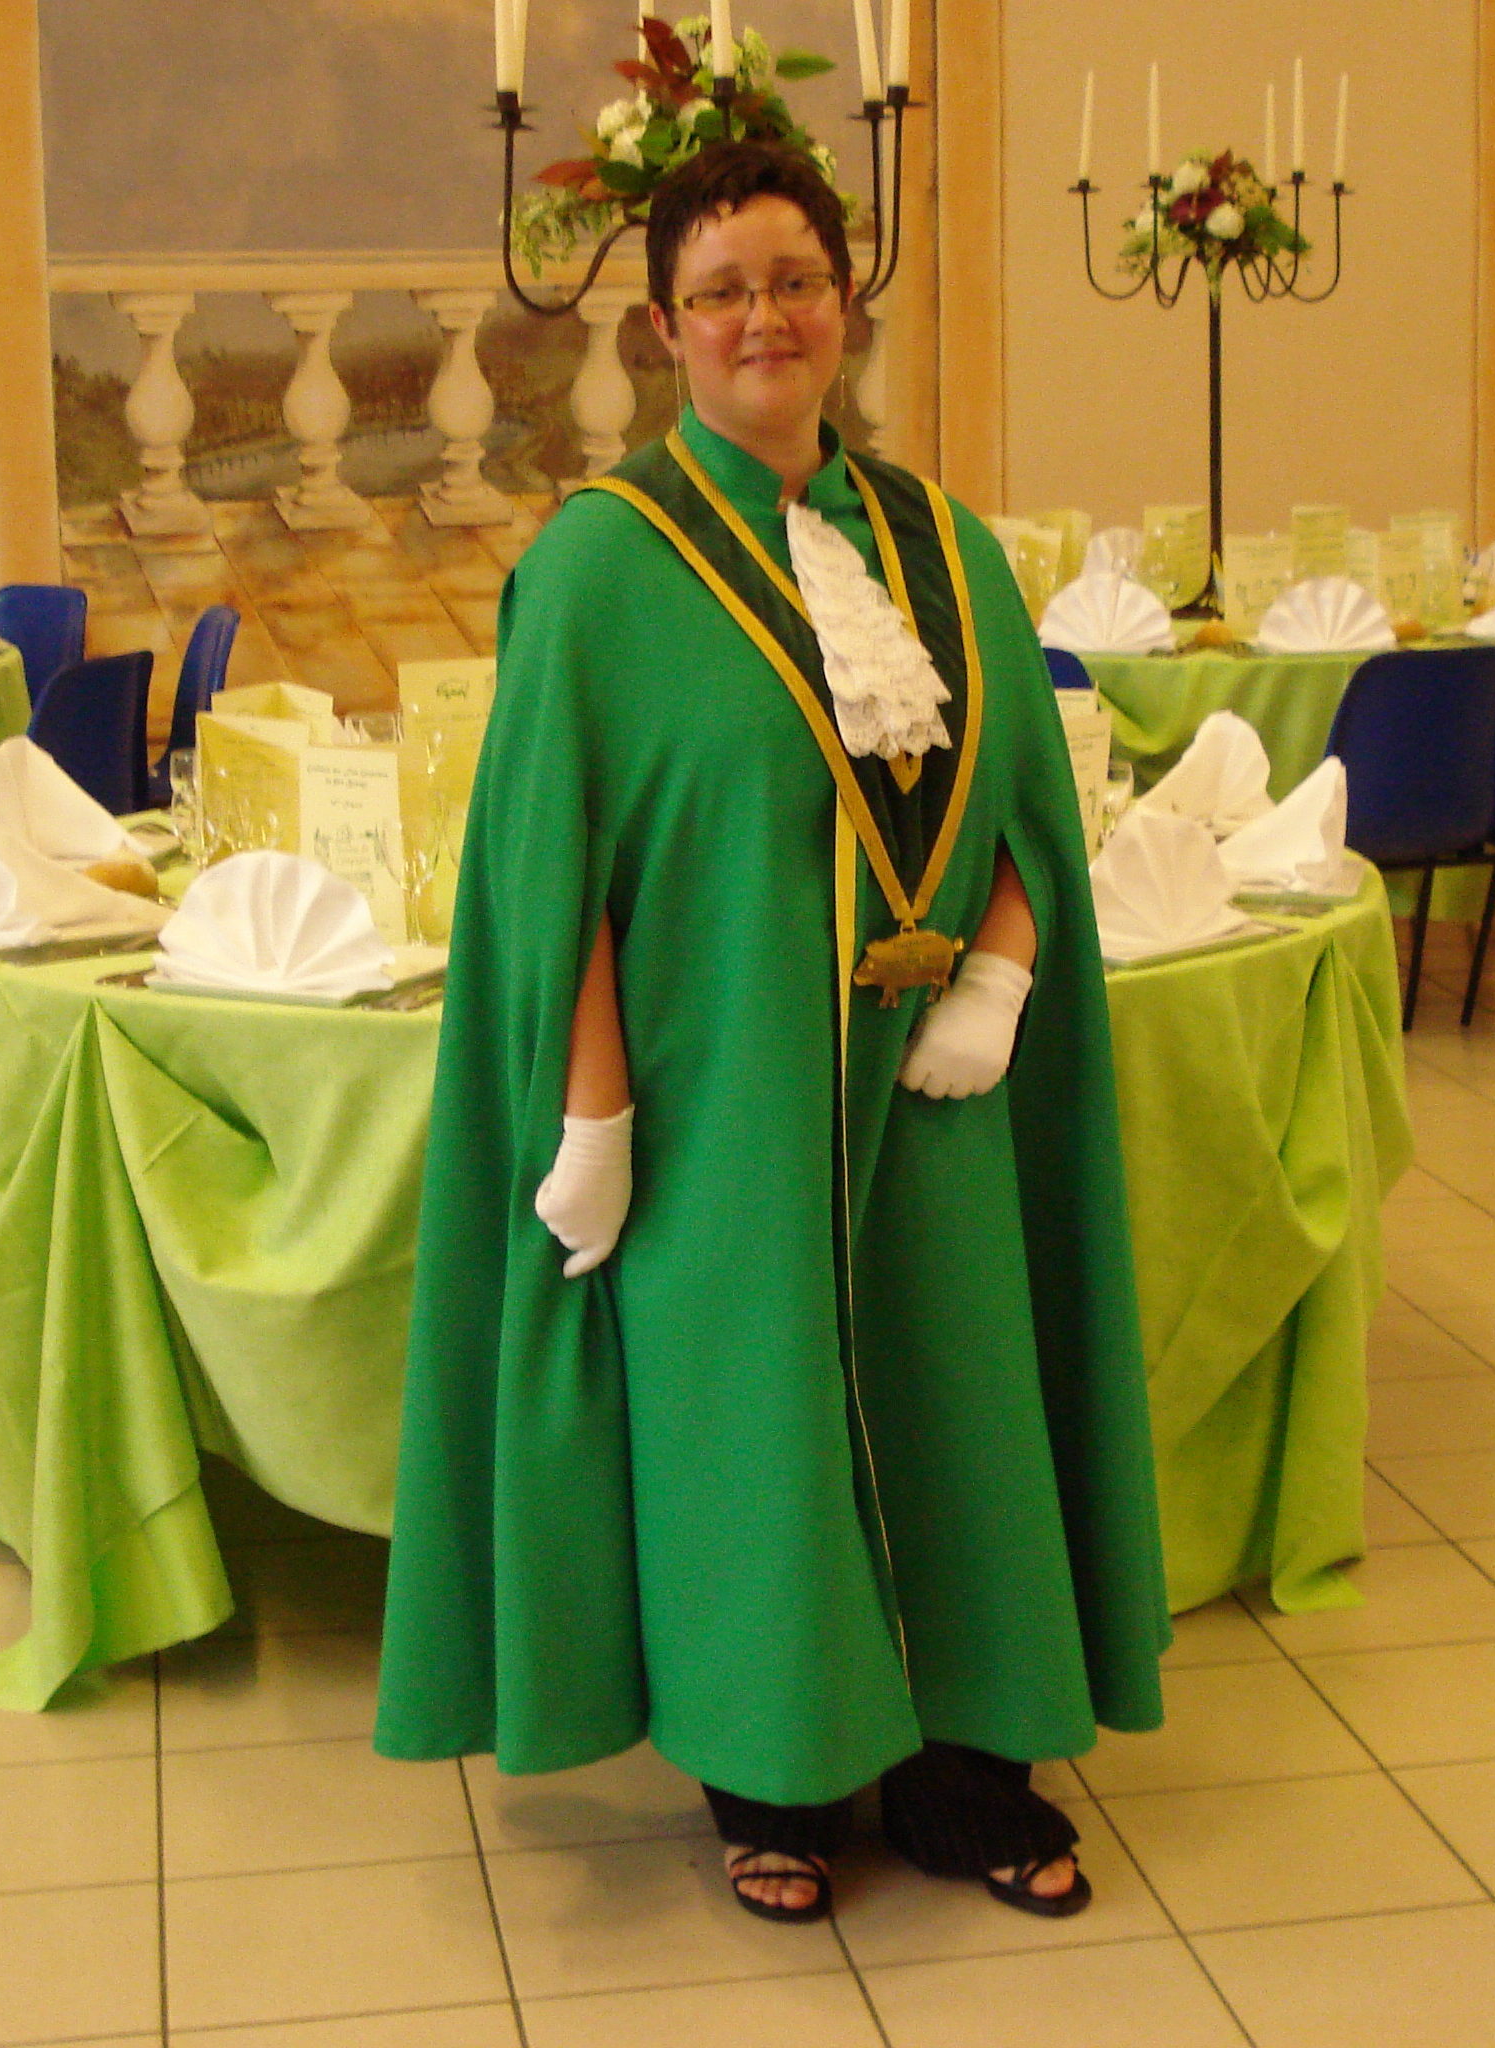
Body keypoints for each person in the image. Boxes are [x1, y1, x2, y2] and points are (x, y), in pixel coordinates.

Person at [375, 139, 1169, 1925]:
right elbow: (552, 878)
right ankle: (773, 1773)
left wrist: (1001, 976)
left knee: (960, 1409)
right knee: (754, 1432)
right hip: (717, 1093)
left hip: (937, 1088)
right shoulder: (599, 569)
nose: (764, 318)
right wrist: (591, 1117)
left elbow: (1031, 808)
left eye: (795, 280)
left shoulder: (949, 548)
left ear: (845, 301)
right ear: (664, 328)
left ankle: (968, 1776)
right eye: (722, 290)